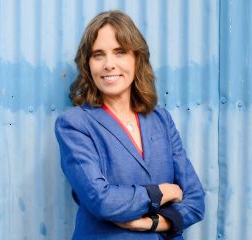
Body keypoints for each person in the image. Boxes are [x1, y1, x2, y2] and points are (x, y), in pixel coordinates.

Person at [55, 10, 205, 239]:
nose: (109, 64)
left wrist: (150, 224)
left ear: (137, 58)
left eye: (120, 52)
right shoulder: (74, 124)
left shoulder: (161, 120)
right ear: (88, 64)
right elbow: (101, 200)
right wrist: (163, 192)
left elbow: (195, 201)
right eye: (98, 55)